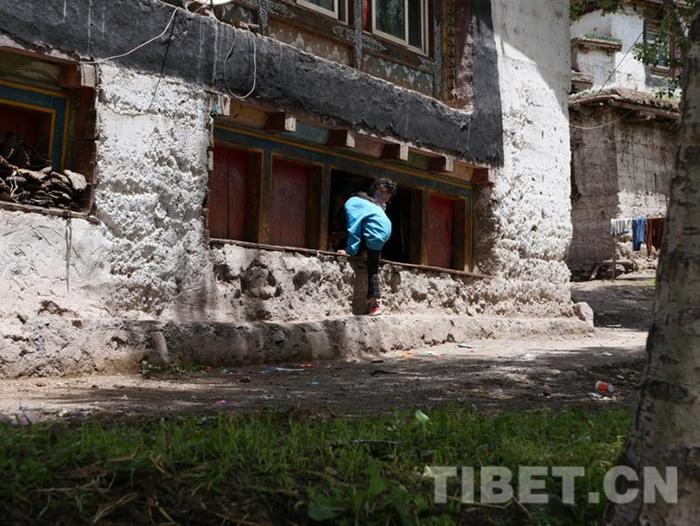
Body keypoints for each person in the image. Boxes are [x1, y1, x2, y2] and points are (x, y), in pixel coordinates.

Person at [337, 178, 397, 316]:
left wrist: (349, 251)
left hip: (375, 235)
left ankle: (374, 305)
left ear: (340, 198)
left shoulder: (352, 204)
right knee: (373, 264)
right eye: (383, 196)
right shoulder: (369, 203)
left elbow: (354, 228)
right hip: (381, 234)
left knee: (372, 270)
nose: (385, 200)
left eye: (386, 198)